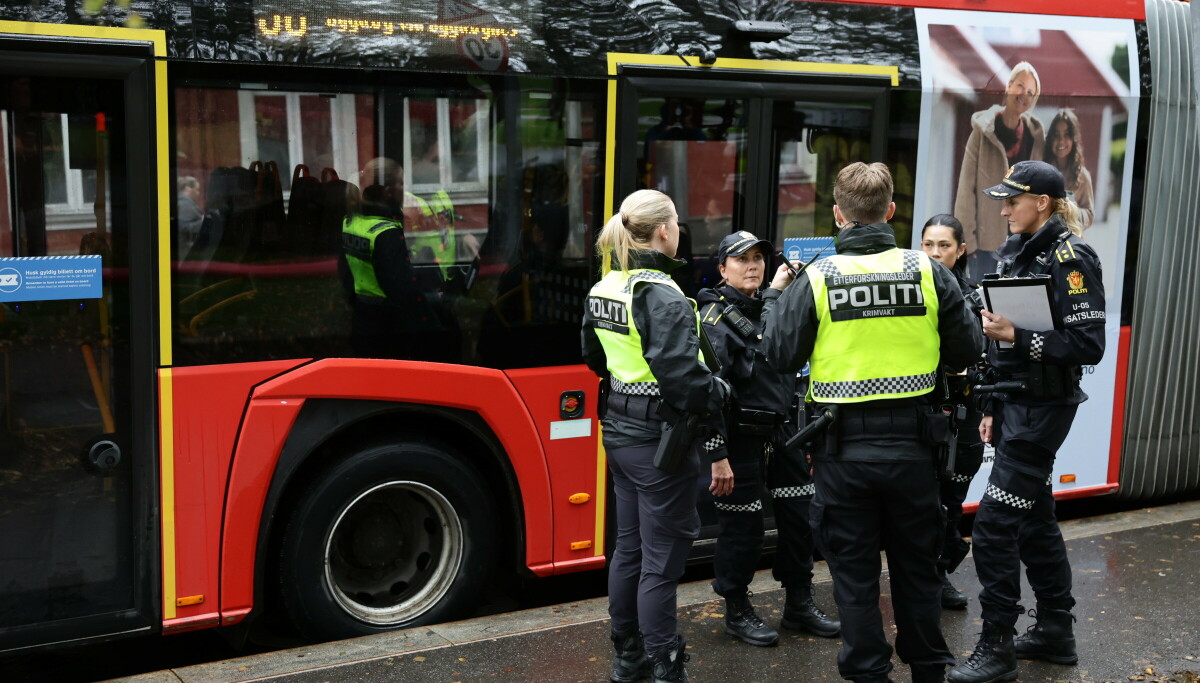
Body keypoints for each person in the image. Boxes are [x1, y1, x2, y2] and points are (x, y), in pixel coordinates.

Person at [761, 162, 984, 683]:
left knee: (854, 575)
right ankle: (930, 668)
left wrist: (774, 296)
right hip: (914, 451)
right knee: (916, 569)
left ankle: (868, 673)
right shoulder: (929, 271)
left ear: (838, 215)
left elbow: (776, 354)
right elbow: (968, 348)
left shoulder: (818, 278)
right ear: (890, 212)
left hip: (842, 455)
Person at [947, 160, 1104, 683]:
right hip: (1014, 405)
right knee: (1033, 519)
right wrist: (991, 407)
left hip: (1043, 411)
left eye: (1013, 200)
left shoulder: (1071, 256)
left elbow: (1089, 345)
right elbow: (999, 336)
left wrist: (1019, 336)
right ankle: (1056, 630)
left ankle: (997, 647)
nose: (1004, 208)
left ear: (1042, 202)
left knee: (992, 527)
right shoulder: (1017, 250)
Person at [581, 189, 731, 683]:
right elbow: (683, 378)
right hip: (658, 439)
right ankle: (666, 665)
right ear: (665, 231)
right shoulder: (660, 292)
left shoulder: (607, 285)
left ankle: (628, 657)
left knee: (630, 549)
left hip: (620, 434)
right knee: (662, 562)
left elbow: (594, 359)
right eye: (677, 224)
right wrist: (719, 390)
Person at [696, 231, 841, 648]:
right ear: (722, 269)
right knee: (742, 531)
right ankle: (737, 610)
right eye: (742, 259)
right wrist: (717, 455)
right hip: (739, 439)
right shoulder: (715, 319)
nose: (753, 265)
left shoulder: (774, 305)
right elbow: (707, 394)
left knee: (800, 522)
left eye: (759, 257)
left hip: (785, 434)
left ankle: (798, 604)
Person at [920, 214, 986, 610]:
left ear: (960, 250)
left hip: (964, 415)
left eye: (943, 245)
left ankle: (941, 572)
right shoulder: (911, 291)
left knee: (953, 498)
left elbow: (988, 352)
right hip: (925, 414)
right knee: (924, 500)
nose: (934, 253)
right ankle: (925, 576)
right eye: (928, 244)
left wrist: (968, 370)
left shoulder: (975, 297)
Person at [954, 61, 1045, 277]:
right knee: (982, 307)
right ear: (1009, 86)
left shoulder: (1036, 136)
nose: (1024, 94)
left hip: (1023, 243)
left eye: (1031, 92)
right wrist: (969, 242)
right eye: (1021, 86)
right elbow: (966, 189)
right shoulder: (982, 131)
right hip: (985, 247)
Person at [339, 157, 432, 359]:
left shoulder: (350, 221)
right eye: (401, 183)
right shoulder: (386, 232)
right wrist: (427, 310)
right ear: (388, 192)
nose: (404, 189)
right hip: (389, 328)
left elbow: (346, 274)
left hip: (363, 319)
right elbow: (400, 288)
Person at [1043, 109, 1095, 230]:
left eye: (1067, 134)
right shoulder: (1043, 171)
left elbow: (1090, 215)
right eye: (1056, 135)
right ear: (1050, 139)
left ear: (1074, 139)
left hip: (1069, 242)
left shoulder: (1082, 176)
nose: (1061, 141)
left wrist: (1070, 211)